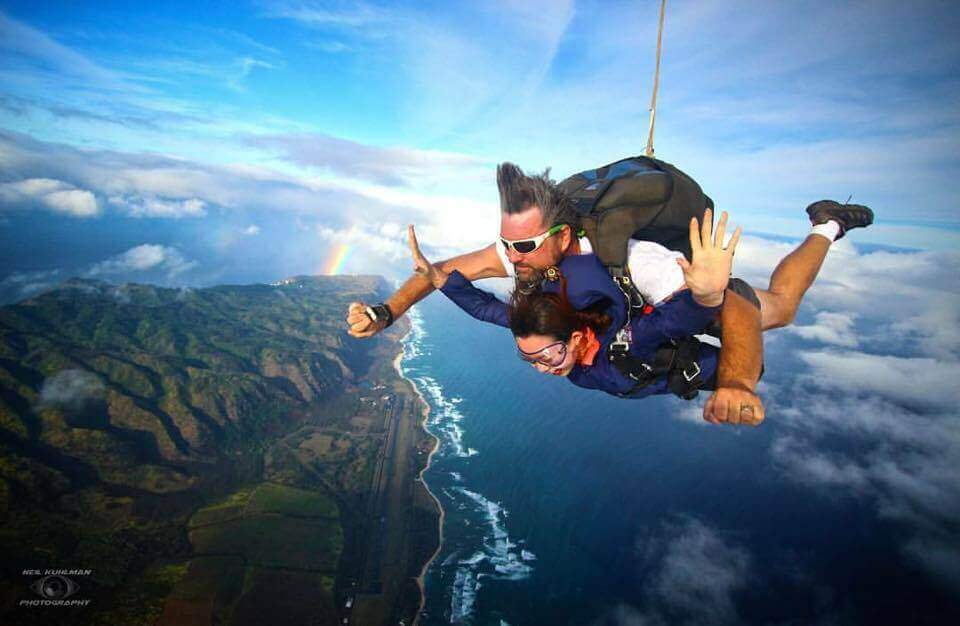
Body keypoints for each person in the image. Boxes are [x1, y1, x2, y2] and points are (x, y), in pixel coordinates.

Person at [347, 163, 873, 425]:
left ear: (558, 236)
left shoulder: (635, 258)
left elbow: (730, 305)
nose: (512, 256)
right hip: (614, 318)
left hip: (674, 294)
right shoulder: (525, 252)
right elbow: (440, 273)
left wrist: (734, 383)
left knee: (777, 309)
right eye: (508, 243)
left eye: (523, 245)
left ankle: (826, 225)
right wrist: (385, 311)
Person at [410, 209, 739, 400]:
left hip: (720, 371)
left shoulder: (628, 342)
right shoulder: (547, 335)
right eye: (531, 360)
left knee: (776, 311)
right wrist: (439, 279)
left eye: (547, 356)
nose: (543, 368)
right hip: (665, 375)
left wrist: (707, 295)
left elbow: (673, 322)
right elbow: (486, 310)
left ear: (578, 338)